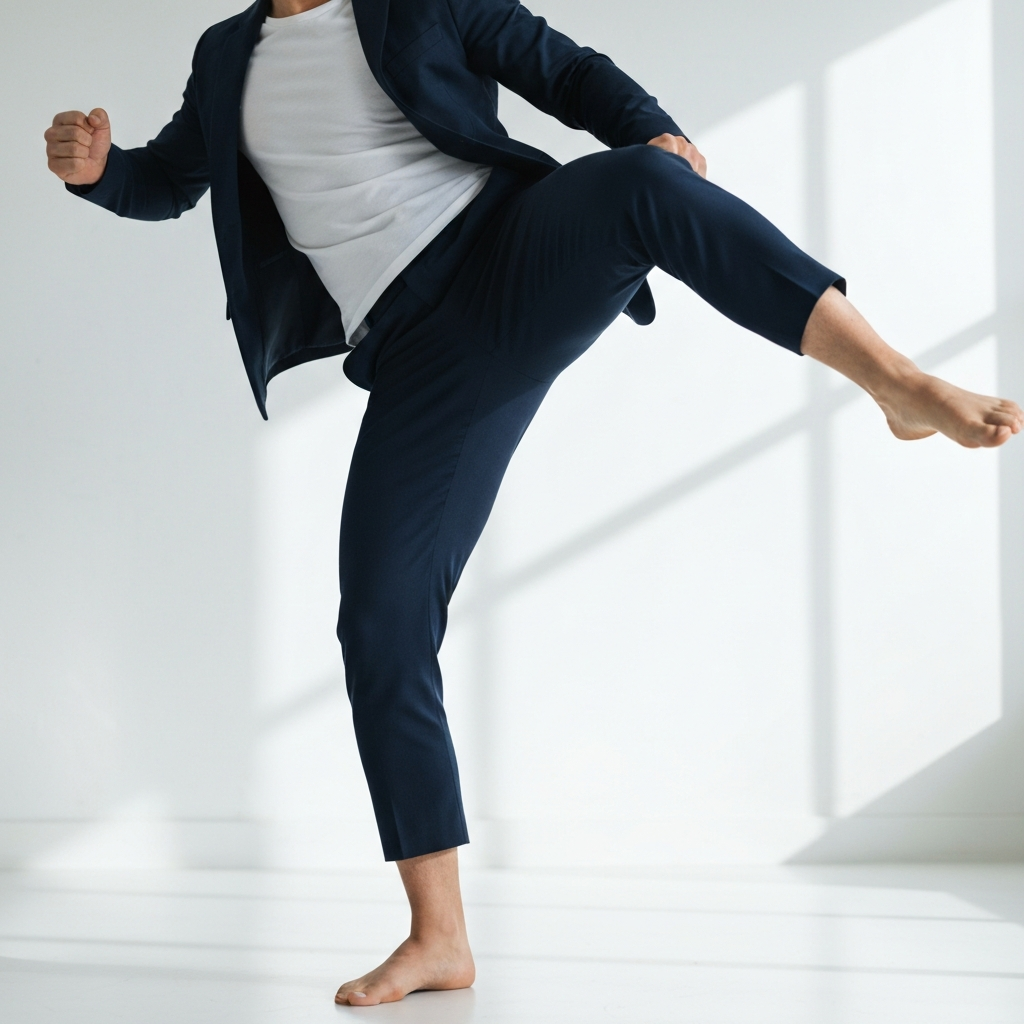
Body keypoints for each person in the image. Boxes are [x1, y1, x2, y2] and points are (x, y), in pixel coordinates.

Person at [45, 0, 1021, 1006]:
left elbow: (558, 66)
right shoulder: (224, 56)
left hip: (510, 252)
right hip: (420, 358)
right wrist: (97, 172)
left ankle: (897, 384)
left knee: (644, 181)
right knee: (379, 622)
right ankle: (439, 937)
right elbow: (165, 182)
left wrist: (651, 129)